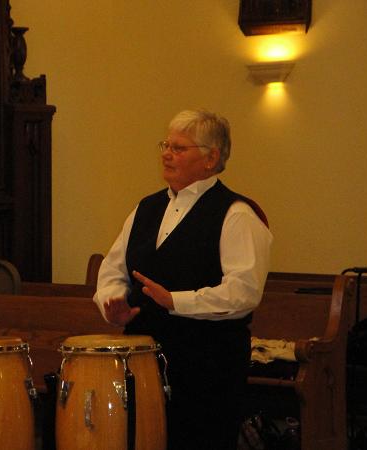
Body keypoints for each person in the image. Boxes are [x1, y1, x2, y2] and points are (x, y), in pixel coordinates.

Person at [93, 109, 273, 450]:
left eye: (179, 148)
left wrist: (176, 301)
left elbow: (244, 292)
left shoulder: (237, 215)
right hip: (143, 362)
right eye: (165, 145)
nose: (166, 153)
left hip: (207, 367)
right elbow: (114, 270)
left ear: (211, 158)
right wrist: (111, 304)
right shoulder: (144, 209)